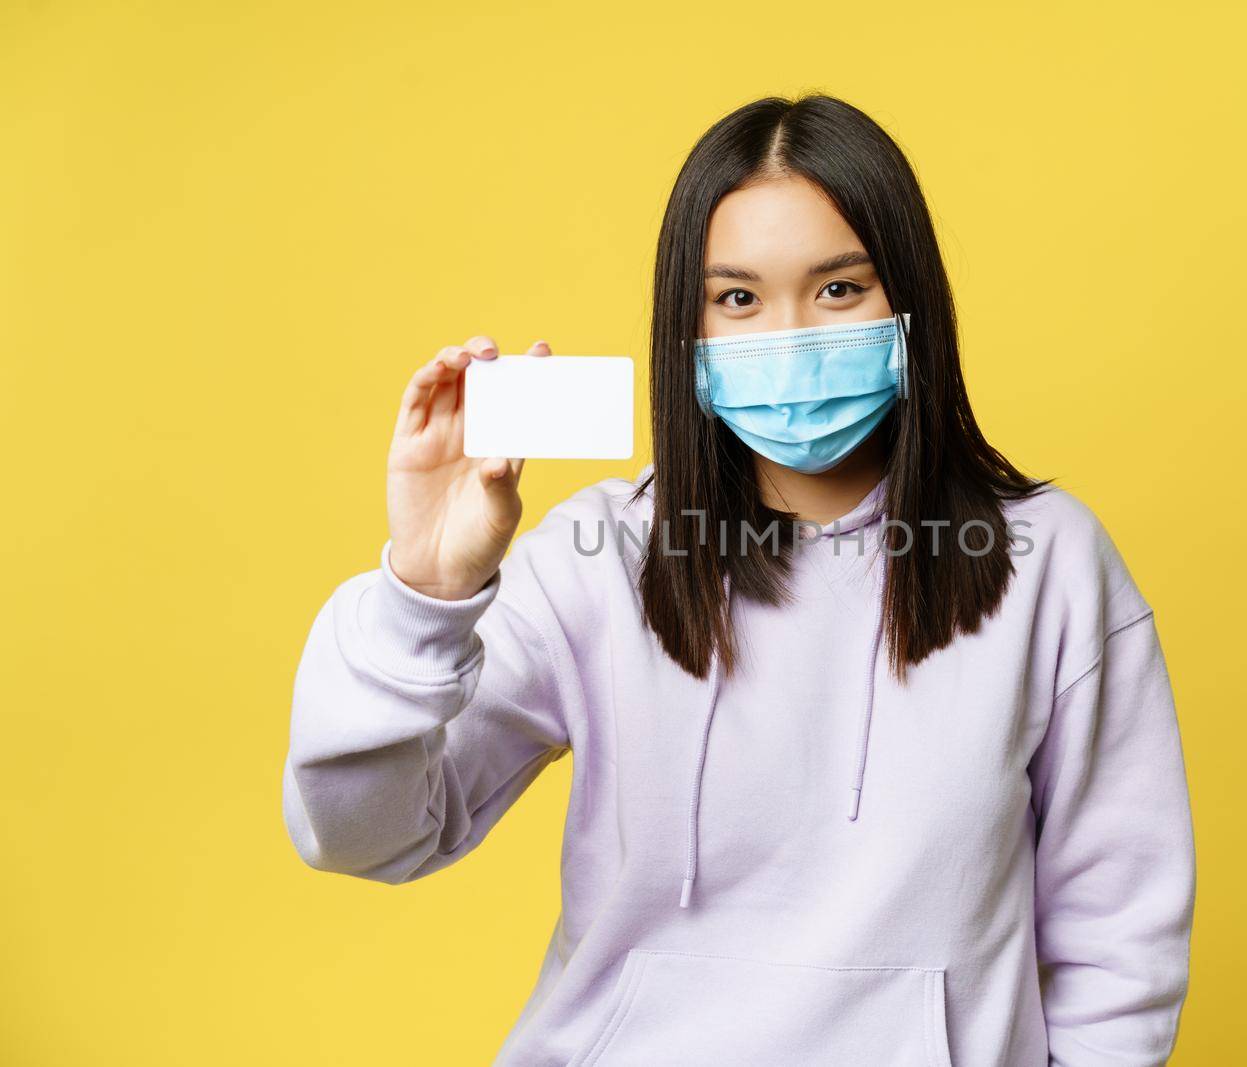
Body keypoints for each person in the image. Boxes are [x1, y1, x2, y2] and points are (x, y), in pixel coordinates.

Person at [282, 92, 1197, 1066]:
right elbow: (361, 834)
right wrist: (423, 592)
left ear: (910, 307)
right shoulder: (598, 555)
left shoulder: (1046, 562)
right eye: (738, 298)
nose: (790, 335)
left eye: (839, 289)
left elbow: (1118, 938)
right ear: (690, 332)